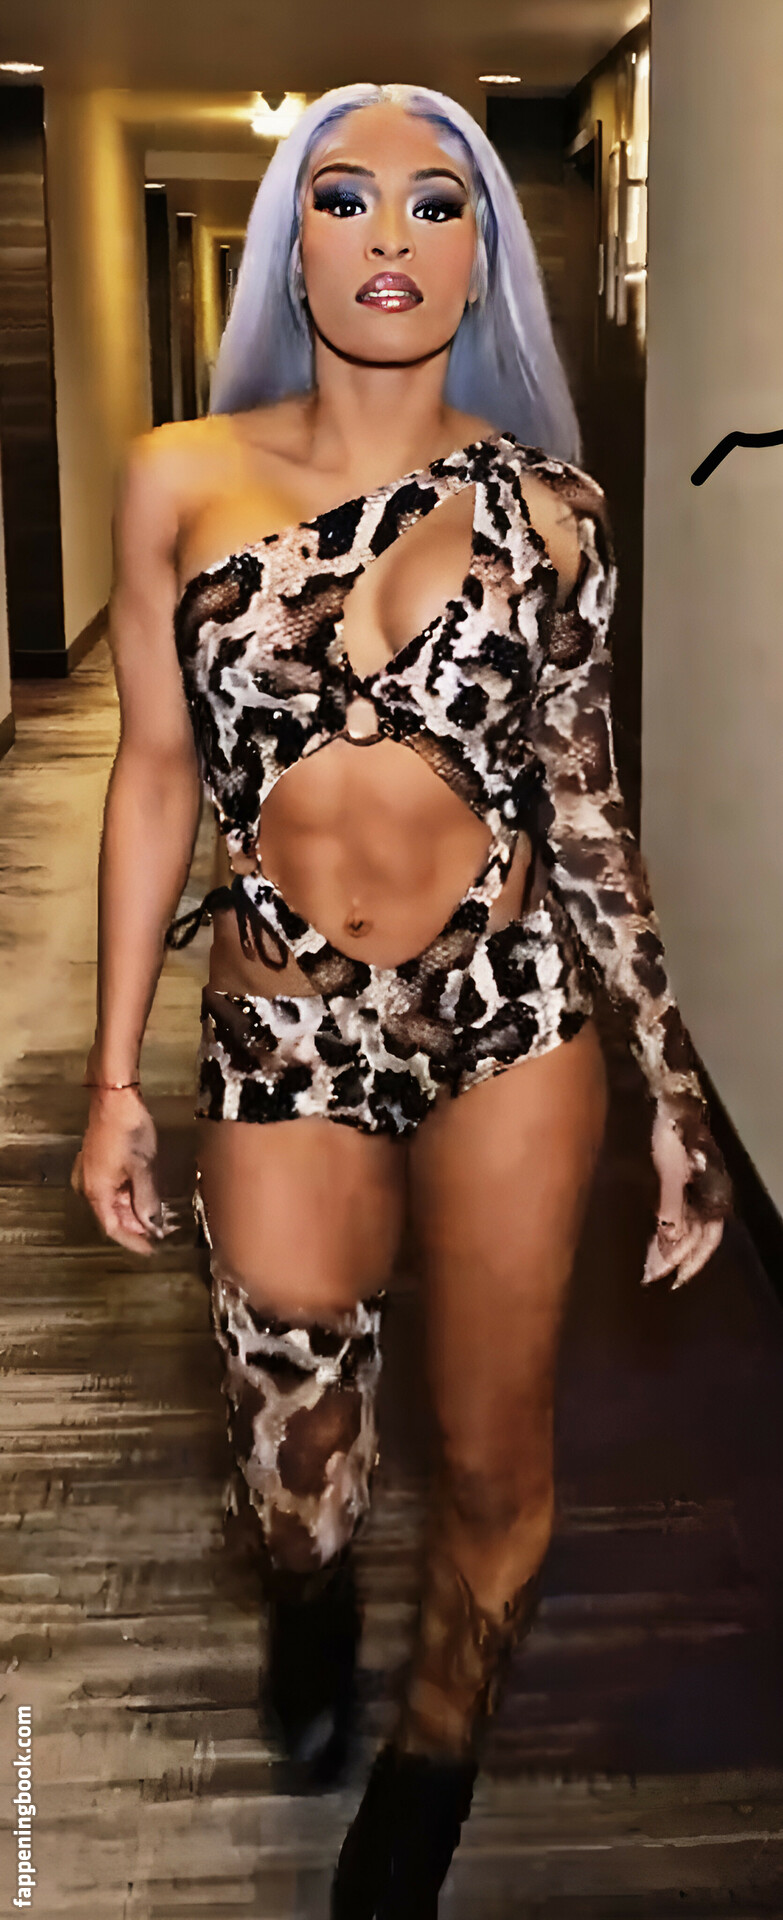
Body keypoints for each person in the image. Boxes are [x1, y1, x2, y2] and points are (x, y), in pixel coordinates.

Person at [71, 81, 733, 1915]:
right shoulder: (179, 475)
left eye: (438, 204)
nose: (388, 235)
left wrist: (674, 1089)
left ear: (484, 256)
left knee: (499, 1451)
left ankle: (432, 1771)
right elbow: (151, 771)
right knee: (294, 1446)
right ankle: (308, 1598)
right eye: (344, 197)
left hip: (510, 1014)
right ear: (292, 243)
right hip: (281, 1017)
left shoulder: (556, 510)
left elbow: (585, 809)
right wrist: (114, 1079)